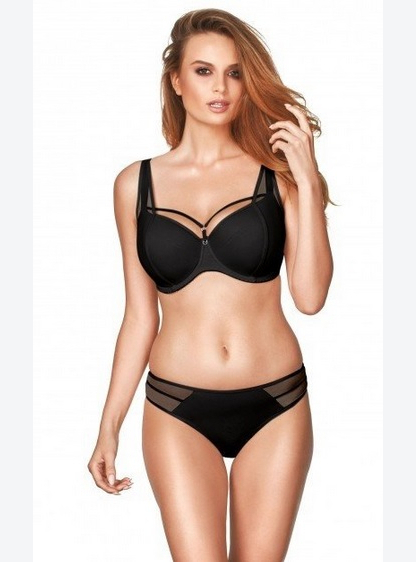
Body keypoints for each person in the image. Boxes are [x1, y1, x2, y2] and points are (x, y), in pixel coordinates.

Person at [87, 8, 333, 562]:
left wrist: (308, 181)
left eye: (234, 73)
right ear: (176, 80)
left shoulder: (279, 176)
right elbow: (139, 317)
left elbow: (311, 298)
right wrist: (108, 427)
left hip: (277, 403)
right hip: (176, 407)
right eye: (203, 71)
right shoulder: (135, 184)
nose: (220, 87)